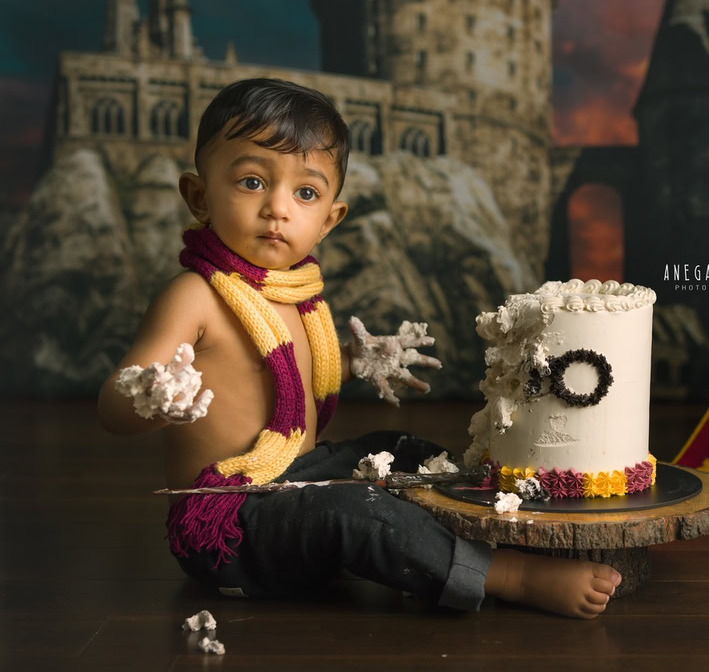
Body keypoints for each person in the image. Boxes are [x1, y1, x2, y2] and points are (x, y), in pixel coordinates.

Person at [96, 78, 620, 618]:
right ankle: (504, 572)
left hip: (294, 478)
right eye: (252, 181)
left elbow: (289, 378)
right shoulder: (195, 295)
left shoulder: (294, 293)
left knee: (400, 449)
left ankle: (485, 527)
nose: (277, 208)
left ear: (328, 219)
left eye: (304, 193)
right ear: (200, 196)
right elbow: (115, 404)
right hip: (231, 524)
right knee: (352, 510)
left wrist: (351, 362)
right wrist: (151, 398)